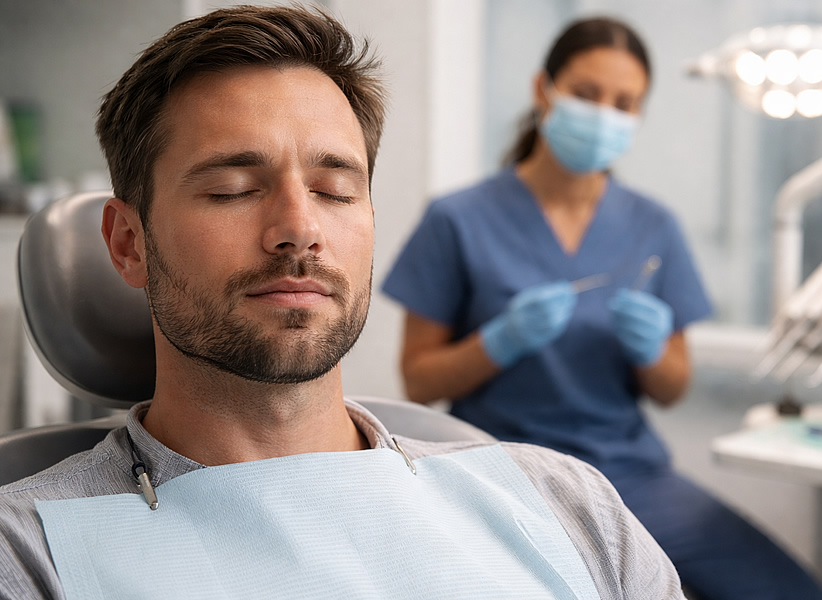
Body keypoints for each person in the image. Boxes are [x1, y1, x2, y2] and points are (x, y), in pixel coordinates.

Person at [0, 6, 686, 599]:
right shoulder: (29, 550)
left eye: (334, 190)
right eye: (234, 187)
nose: (300, 227)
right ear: (128, 244)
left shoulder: (569, 504)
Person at [382, 16, 822, 600]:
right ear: (544, 89)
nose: (603, 115)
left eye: (624, 103)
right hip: (502, 470)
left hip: (628, 477)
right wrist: (499, 342)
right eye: (587, 94)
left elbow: (672, 387)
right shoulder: (457, 219)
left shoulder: (653, 225)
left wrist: (651, 352)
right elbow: (417, 382)